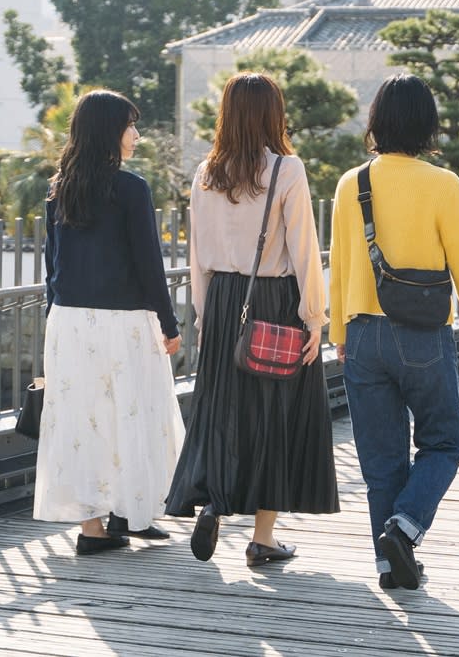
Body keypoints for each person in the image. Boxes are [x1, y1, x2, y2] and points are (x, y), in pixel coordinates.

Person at [328, 74, 459, 591]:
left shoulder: (350, 183)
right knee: (445, 441)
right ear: (428, 125)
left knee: (381, 459)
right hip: (423, 334)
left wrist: (338, 331)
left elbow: (341, 264)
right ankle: (404, 528)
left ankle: (390, 568)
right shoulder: (443, 184)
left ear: (376, 121)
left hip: (361, 335)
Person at [166, 73, 339, 567]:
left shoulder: (205, 172)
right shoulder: (287, 169)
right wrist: (315, 318)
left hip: (222, 301)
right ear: (273, 114)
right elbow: (305, 249)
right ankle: (263, 538)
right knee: (275, 415)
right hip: (274, 302)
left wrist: (204, 315)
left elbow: (196, 254)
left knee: (221, 409)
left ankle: (216, 503)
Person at [34, 90, 184, 554]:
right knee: (133, 414)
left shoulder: (60, 188)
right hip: (123, 323)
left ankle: (94, 528)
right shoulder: (130, 188)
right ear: (108, 131)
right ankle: (133, 513)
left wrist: (51, 323)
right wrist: (170, 323)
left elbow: (51, 266)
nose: (136, 135)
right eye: (130, 125)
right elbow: (148, 264)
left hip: (68, 322)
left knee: (84, 421)